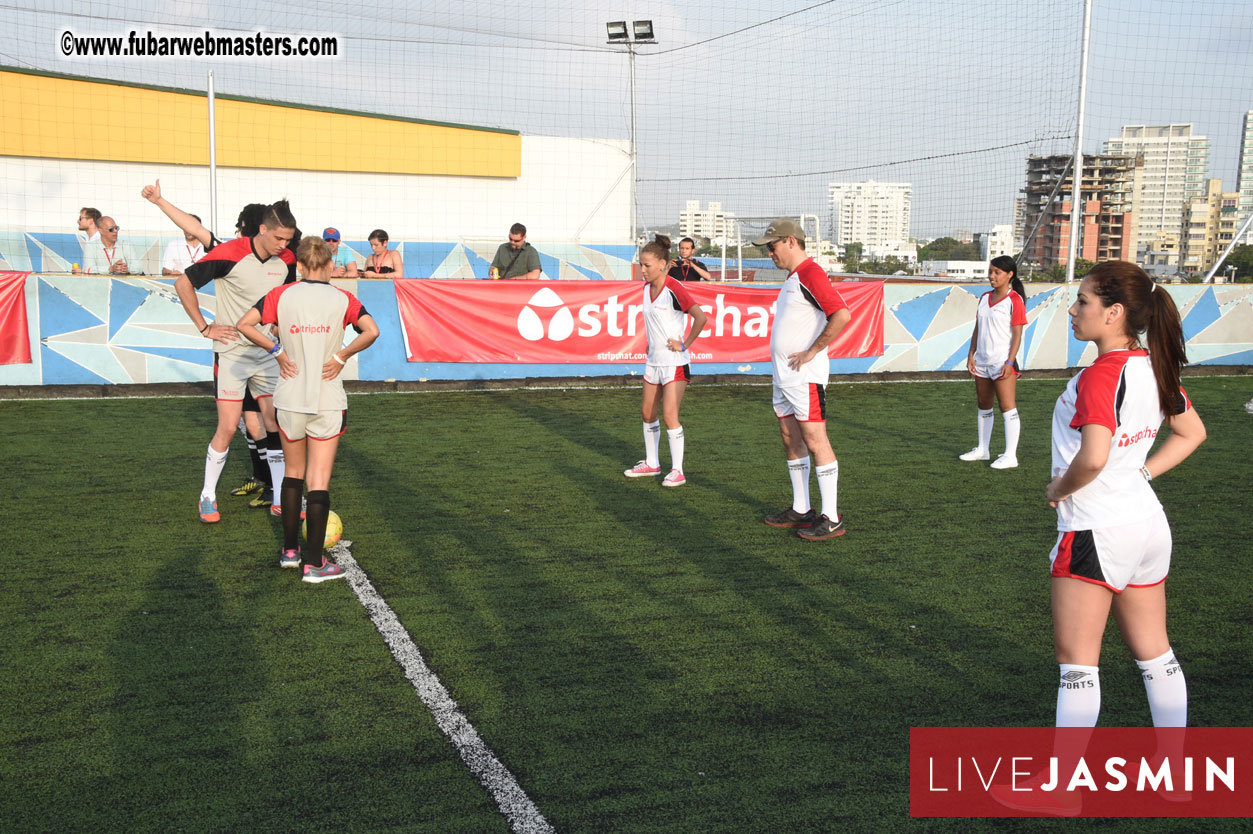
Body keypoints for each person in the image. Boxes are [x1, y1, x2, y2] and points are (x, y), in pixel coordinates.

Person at [1045, 261, 1204, 732]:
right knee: (1157, 654)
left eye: (1083, 301)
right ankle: (1174, 774)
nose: (1073, 310)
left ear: (1114, 312)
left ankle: (1063, 789)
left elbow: (1093, 458)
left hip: (1098, 527)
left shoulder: (1101, 374)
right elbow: (1191, 432)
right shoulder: (1152, 365)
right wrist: (1140, 474)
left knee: (1078, 664)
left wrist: (1059, 487)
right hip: (1147, 525)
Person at [237, 237, 379, 582]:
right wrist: (341, 356)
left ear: (299, 266)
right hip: (326, 398)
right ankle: (314, 563)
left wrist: (277, 352)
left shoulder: (281, 295)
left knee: (293, 474)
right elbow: (371, 331)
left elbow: (244, 324)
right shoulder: (343, 298)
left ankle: (289, 551)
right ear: (331, 265)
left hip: (289, 397)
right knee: (319, 480)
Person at [141, 180, 277, 507]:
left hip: (257, 353)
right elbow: (197, 230)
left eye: (239, 225)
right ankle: (262, 482)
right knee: (248, 422)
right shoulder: (232, 253)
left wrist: (160, 202)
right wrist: (160, 202)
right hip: (235, 353)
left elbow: (198, 231)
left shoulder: (273, 254)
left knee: (259, 422)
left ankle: (271, 486)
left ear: (251, 227)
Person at [175, 200, 298, 523]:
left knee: (275, 425)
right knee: (229, 427)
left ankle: (279, 498)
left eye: (288, 240)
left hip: (269, 355)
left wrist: (276, 325)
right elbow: (182, 283)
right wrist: (205, 326)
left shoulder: (286, 260)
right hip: (232, 355)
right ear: (262, 230)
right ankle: (207, 496)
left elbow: (284, 299)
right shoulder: (229, 253)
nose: (284, 246)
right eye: (279, 239)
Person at [754, 219, 852, 541]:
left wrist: (813, 351)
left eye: (773, 245)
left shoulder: (811, 273)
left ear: (791, 241)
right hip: (784, 376)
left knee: (815, 440)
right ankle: (801, 508)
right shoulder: (793, 278)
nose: (769, 252)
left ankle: (832, 517)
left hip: (804, 377)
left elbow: (841, 313)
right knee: (788, 436)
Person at [623, 234, 708, 487]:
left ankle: (678, 470)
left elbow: (700, 318)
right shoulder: (646, 289)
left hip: (674, 362)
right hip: (653, 362)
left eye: (647, 265)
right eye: (641, 265)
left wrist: (684, 344)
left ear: (662, 263)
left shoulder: (674, 288)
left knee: (670, 415)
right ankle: (652, 463)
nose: (643, 270)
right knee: (647, 413)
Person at [959, 255, 1028, 469]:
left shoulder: (1014, 300)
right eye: (991, 272)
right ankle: (982, 449)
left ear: (1010, 275)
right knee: (983, 405)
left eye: (997, 272)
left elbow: (1017, 335)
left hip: (1002, 362)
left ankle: (1010, 455)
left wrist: (1010, 361)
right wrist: (971, 354)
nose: (992, 276)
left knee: (1007, 407)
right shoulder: (984, 298)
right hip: (982, 361)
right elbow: (978, 329)